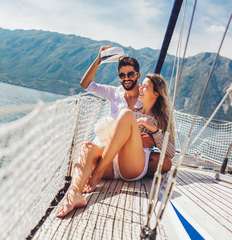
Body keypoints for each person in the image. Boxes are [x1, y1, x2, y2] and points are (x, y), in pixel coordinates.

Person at [57, 73, 175, 218]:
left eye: (146, 87)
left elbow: (170, 153)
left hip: (132, 166)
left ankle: (96, 174)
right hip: (112, 161)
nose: (141, 88)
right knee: (87, 147)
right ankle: (74, 194)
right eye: (141, 85)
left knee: (126, 114)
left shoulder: (161, 120)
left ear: (156, 94)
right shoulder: (133, 111)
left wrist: (154, 131)